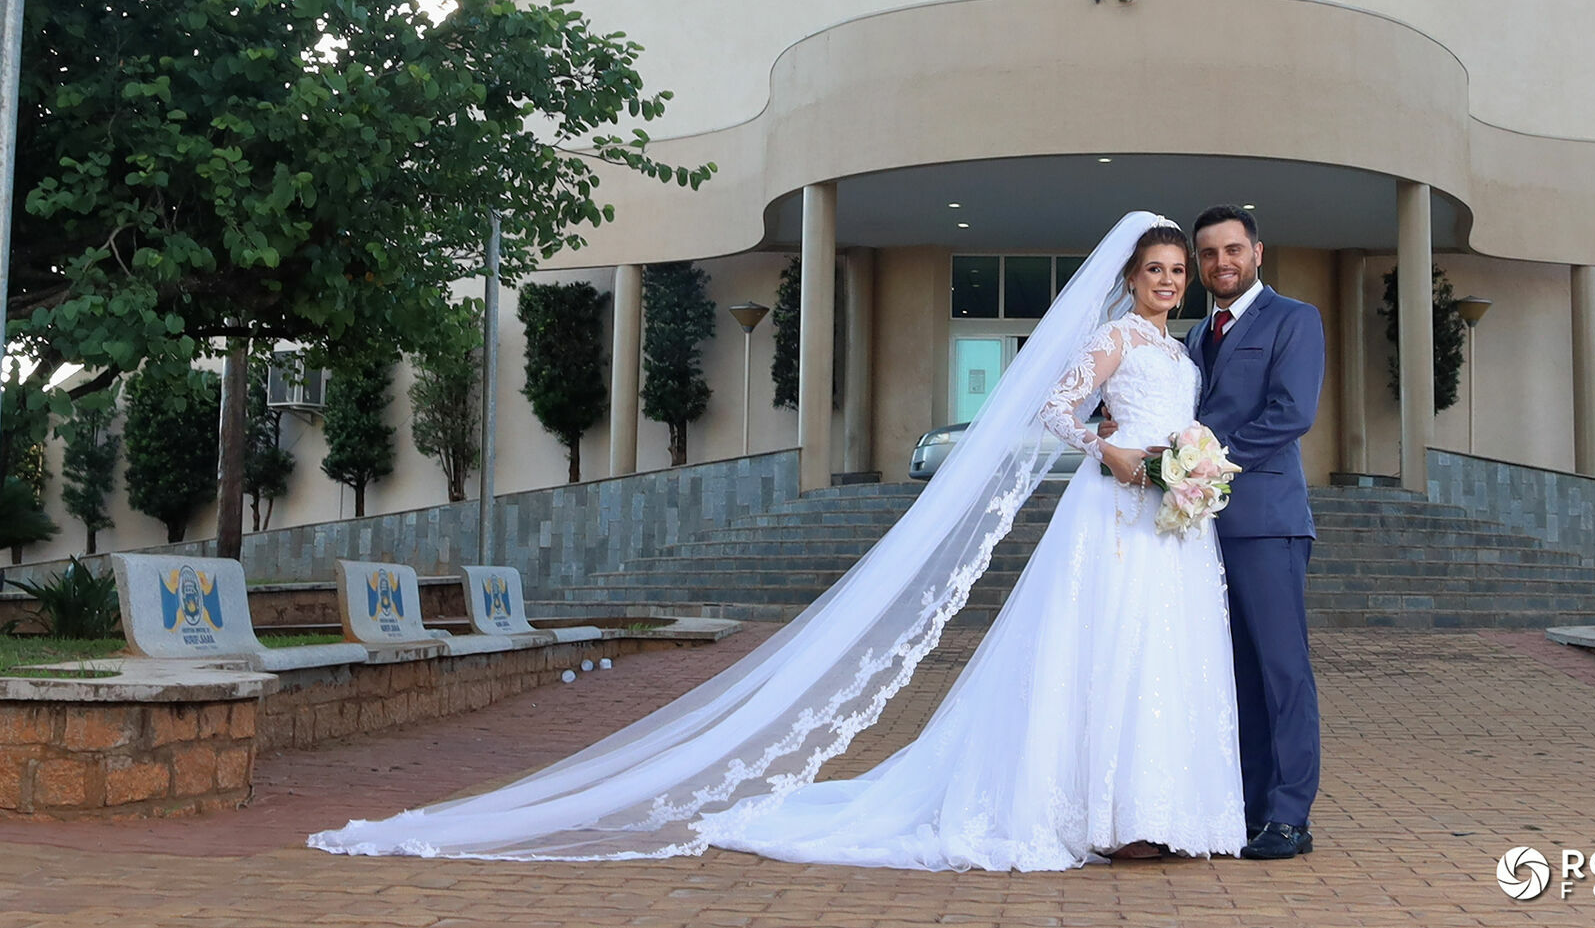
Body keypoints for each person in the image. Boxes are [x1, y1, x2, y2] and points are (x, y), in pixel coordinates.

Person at [308, 213, 1245, 868]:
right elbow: (1048, 406)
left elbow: (1181, 420)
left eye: (1177, 271)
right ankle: (1106, 816)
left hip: (1172, 523)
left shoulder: (1184, 346)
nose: (1168, 281)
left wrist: (1187, 465)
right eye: (1156, 269)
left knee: (1162, 658)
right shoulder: (1117, 341)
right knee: (1107, 653)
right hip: (1114, 512)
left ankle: (1160, 811)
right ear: (1129, 277)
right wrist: (1114, 451)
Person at [1174, 204, 1325, 860]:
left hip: (1267, 523)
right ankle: (1252, 808)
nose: (1220, 263)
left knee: (1282, 672)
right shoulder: (1193, 336)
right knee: (1236, 674)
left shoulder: (1295, 319)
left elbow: (1290, 413)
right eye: (1208, 254)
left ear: (1257, 252)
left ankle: (1292, 815)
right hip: (1200, 529)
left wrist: (1201, 464)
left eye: (1232, 249)